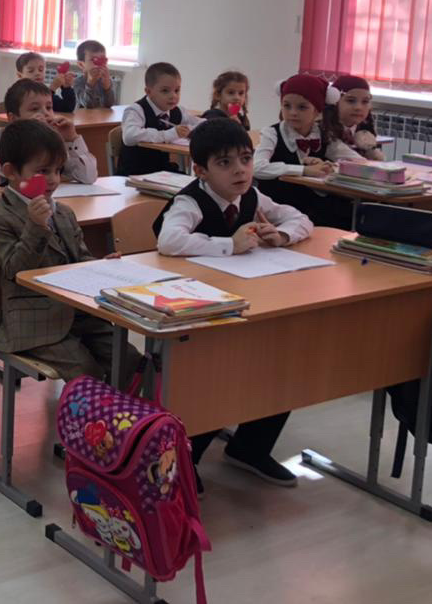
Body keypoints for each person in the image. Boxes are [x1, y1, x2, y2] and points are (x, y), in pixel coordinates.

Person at [153, 118, 311, 487]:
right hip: (194, 309)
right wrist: (229, 245)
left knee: (282, 362)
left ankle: (250, 448)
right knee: (219, 375)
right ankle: (186, 457)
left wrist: (281, 234)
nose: (239, 170)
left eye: (245, 159)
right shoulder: (190, 200)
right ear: (201, 171)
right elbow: (169, 241)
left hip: (245, 298)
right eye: (225, 163)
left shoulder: (252, 196)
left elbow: (300, 218)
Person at [0, 120, 136, 379]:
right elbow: (14, 270)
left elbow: (80, 258)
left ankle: (120, 405)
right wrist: (35, 227)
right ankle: (93, 404)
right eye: (43, 171)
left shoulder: (63, 212)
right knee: (85, 370)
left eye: (57, 170)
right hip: (34, 323)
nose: (53, 179)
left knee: (129, 358)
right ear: (10, 171)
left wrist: (101, 265)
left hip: (78, 313)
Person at [254, 74, 362, 228]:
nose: (293, 112)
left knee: (349, 216)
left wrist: (328, 166)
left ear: (317, 111)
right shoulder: (272, 133)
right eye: (287, 106)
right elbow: (257, 168)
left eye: (302, 107)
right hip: (279, 209)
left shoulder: (323, 134)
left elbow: (357, 161)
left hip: (313, 208)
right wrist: (304, 170)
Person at [3, 79, 97, 184]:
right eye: (34, 109)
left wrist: (71, 138)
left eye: (49, 107)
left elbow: (89, 177)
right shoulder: (10, 144)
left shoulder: (54, 143)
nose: (45, 113)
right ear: (13, 119)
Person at [118, 62, 204, 176]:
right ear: (149, 92)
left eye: (177, 90)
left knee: (191, 181)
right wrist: (167, 135)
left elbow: (201, 124)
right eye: (165, 91)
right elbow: (129, 136)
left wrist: (190, 130)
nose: (173, 96)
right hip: (135, 173)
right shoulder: (136, 110)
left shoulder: (177, 111)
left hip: (161, 172)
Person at [324, 74, 384, 160]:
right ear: (334, 101)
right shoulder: (324, 127)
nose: (358, 107)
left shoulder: (364, 129)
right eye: (351, 101)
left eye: (365, 101)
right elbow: (337, 151)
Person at [73, 39, 116, 108]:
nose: (99, 64)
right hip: (83, 115)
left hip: (101, 115)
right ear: (81, 65)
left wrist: (107, 87)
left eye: (103, 60)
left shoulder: (105, 81)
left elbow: (109, 104)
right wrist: (90, 84)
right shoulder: (78, 82)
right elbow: (87, 105)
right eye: (95, 60)